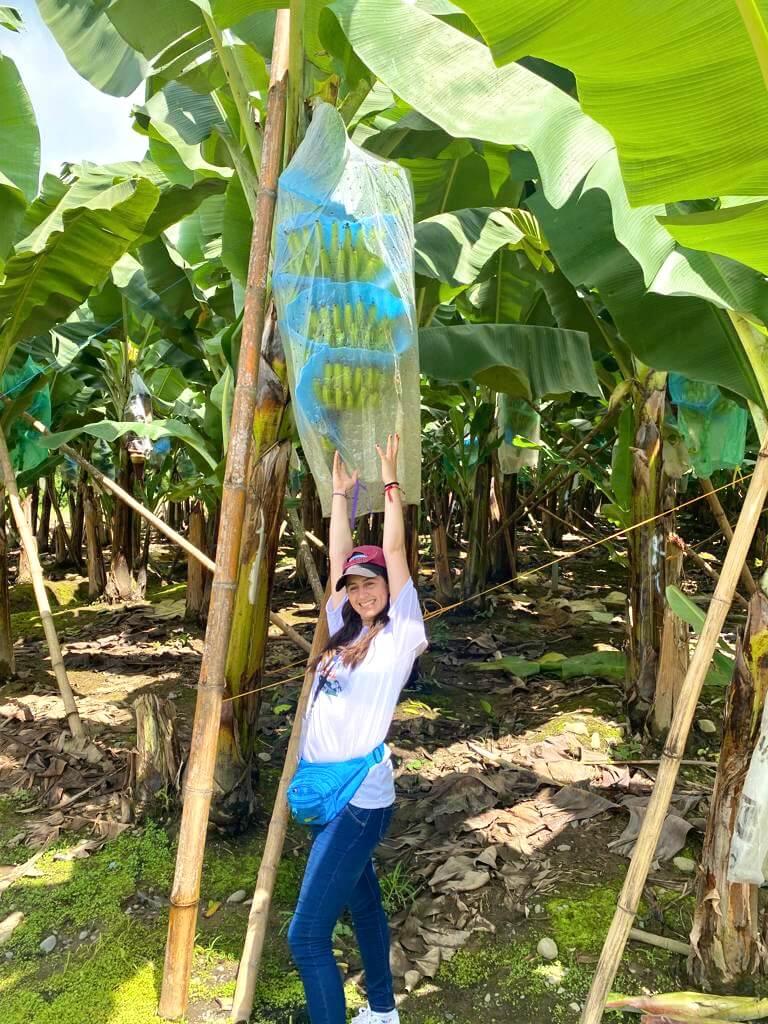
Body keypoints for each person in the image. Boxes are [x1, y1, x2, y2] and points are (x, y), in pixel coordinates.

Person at [288, 434, 428, 1024]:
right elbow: (338, 559)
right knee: (364, 905)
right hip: (326, 788)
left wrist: (390, 480)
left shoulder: (400, 634)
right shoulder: (342, 627)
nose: (363, 592)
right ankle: (382, 1012)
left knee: (305, 937)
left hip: (358, 800)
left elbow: (393, 552)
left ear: (389, 589)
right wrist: (340, 496)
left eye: (372, 583)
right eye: (355, 585)